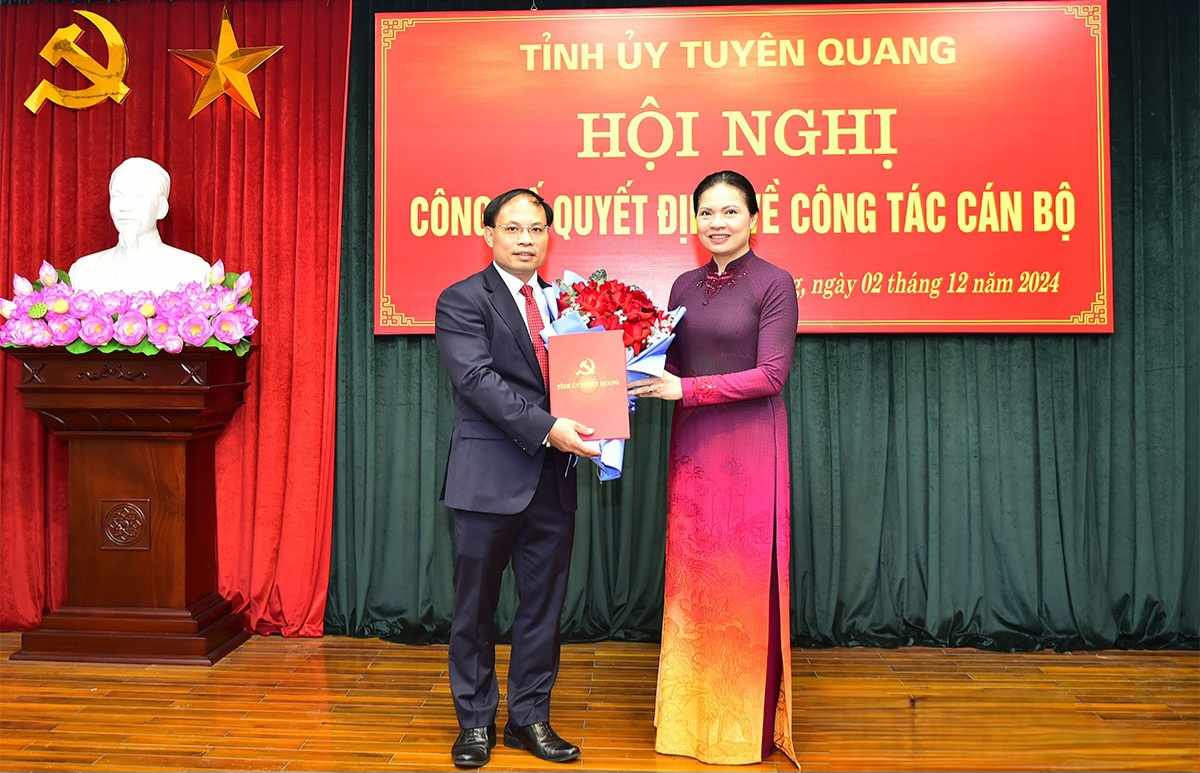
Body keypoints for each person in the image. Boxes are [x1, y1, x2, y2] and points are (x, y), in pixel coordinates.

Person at [629, 170, 800, 766]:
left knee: (745, 585)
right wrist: (609, 365)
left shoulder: (775, 283)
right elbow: (659, 364)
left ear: (754, 217)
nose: (718, 223)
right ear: (695, 220)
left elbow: (771, 375)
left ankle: (740, 731)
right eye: (707, 212)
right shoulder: (681, 284)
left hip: (751, 450)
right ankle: (685, 726)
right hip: (693, 450)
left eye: (730, 212)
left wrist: (688, 390)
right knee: (695, 582)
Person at [435, 188, 599, 769]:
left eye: (536, 229)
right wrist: (551, 426)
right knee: (475, 608)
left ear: (548, 236)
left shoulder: (566, 303)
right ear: (489, 234)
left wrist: (612, 394)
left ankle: (529, 719)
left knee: (543, 610)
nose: (526, 239)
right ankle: (474, 722)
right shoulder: (462, 300)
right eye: (513, 228)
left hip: (553, 481)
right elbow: (477, 381)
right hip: (486, 480)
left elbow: (586, 375)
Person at [69, 157, 212, 293]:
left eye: (138, 196)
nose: (124, 207)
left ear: (162, 208)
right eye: (118, 196)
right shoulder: (83, 272)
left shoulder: (193, 271)